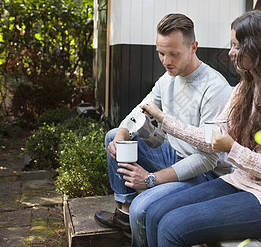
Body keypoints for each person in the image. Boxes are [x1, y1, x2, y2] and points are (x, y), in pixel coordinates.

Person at [141, 9, 261, 246]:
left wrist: (233, 149)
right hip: (242, 181)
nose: (230, 52)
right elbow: (209, 138)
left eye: (236, 46)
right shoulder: (244, 90)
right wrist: (164, 119)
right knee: (154, 212)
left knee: (172, 227)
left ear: (257, 48)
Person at [94, 13, 234, 246]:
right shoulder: (167, 79)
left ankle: (136, 223)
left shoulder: (215, 88)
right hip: (173, 154)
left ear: (193, 47)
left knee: (145, 208)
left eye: (173, 54)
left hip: (205, 175)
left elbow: (208, 160)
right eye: (161, 53)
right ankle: (125, 215)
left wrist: (151, 179)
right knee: (115, 136)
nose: (166, 60)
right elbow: (139, 112)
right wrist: (120, 134)